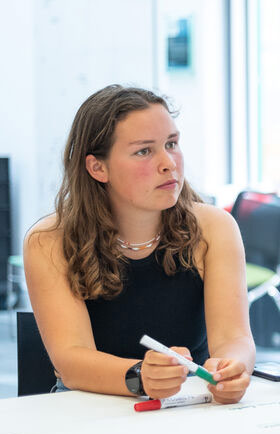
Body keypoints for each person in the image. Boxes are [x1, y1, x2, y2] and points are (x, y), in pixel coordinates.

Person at [24, 85, 255, 404]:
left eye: (172, 144)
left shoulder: (215, 227)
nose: (169, 163)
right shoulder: (48, 240)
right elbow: (71, 361)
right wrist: (140, 376)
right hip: (86, 411)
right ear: (97, 168)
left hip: (185, 404)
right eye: (144, 151)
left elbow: (235, 337)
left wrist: (233, 368)